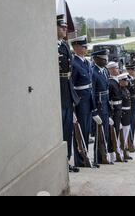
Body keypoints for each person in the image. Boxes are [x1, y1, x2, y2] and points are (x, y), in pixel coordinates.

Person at [57, 14, 80, 173]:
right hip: (59, 89)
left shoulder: (64, 45)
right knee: (62, 129)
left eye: (65, 27)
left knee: (68, 129)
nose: (65, 29)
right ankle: (62, 161)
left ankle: (67, 159)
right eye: (62, 27)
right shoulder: (53, 45)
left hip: (67, 88)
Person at [70, 35, 95, 168]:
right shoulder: (74, 63)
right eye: (84, 46)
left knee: (86, 130)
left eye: (86, 46)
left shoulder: (86, 62)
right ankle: (80, 160)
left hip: (88, 98)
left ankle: (86, 157)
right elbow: (71, 85)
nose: (86, 49)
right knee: (80, 131)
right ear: (76, 47)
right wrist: (74, 103)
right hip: (80, 101)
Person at [92, 49, 114, 165]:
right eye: (103, 58)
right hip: (99, 105)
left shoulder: (105, 71)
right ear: (96, 59)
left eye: (106, 58)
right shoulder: (93, 72)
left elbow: (107, 91)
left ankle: (103, 156)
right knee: (98, 132)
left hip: (105, 105)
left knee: (105, 131)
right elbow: (92, 93)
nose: (106, 61)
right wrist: (94, 111)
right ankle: (98, 158)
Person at [107, 61, 126, 163]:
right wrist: (109, 114)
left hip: (118, 109)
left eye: (117, 68)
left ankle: (116, 150)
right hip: (114, 110)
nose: (118, 70)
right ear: (111, 70)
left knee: (117, 132)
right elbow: (108, 100)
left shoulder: (116, 81)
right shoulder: (110, 82)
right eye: (116, 68)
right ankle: (111, 152)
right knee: (113, 133)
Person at [118, 73, 134, 160]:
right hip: (123, 114)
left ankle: (124, 151)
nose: (127, 82)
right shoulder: (120, 90)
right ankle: (120, 152)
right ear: (120, 81)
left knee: (126, 133)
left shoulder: (126, 90)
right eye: (125, 80)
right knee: (121, 135)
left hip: (127, 114)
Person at [126, 63, 135, 153]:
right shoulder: (127, 80)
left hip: (134, 105)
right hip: (130, 105)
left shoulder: (133, 79)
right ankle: (129, 144)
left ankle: (131, 143)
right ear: (129, 71)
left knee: (133, 125)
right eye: (133, 70)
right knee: (130, 125)